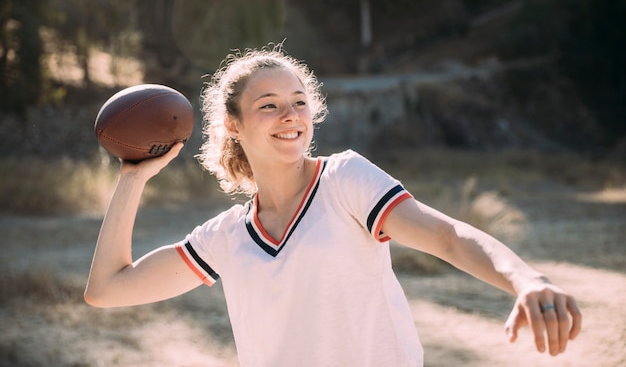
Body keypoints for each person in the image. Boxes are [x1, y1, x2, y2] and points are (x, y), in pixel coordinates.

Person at [85, 44, 582, 367]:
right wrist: (133, 176)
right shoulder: (225, 237)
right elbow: (106, 290)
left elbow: (448, 238)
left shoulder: (344, 179)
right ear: (233, 125)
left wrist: (526, 279)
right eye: (269, 105)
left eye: (300, 101)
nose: (291, 116)